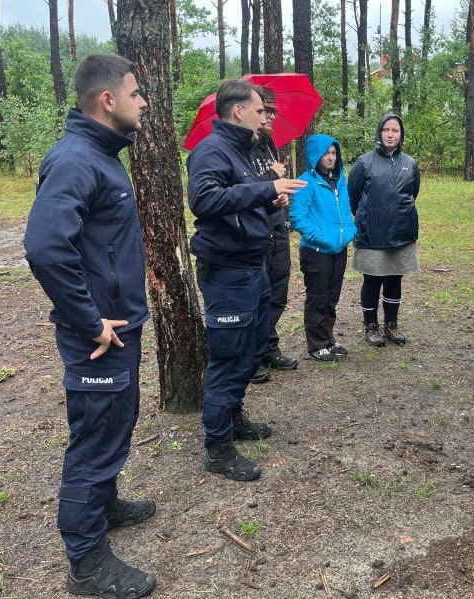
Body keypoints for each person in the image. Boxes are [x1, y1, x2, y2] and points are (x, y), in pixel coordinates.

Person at [23, 53, 156, 598]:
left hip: (118, 329)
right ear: (108, 101)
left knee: (112, 428)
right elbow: (45, 246)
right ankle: (86, 565)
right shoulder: (77, 159)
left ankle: (104, 506)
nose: (143, 101)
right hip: (99, 338)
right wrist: (89, 321)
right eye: (134, 92)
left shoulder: (101, 155)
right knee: (95, 443)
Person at [186, 80, 306, 482]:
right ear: (238, 111)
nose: (264, 117)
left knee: (249, 350)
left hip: (252, 266)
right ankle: (218, 449)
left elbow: (239, 196)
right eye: (259, 111)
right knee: (228, 356)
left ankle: (235, 418)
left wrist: (267, 196)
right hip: (227, 272)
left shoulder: (245, 151)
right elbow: (203, 200)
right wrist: (265, 187)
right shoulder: (211, 151)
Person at [348, 113, 421, 347]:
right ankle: (371, 325)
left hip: (402, 232)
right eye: (386, 130)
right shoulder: (365, 162)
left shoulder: (410, 163)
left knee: (394, 279)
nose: (390, 134)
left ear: (401, 135)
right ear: (379, 132)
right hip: (372, 234)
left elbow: (413, 192)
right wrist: (367, 217)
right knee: (372, 280)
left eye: (395, 130)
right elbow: (353, 196)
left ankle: (391, 324)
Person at [290, 134, 357, 361]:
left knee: (332, 297)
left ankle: (328, 338)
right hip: (316, 251)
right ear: (315, 156)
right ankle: (317, 345)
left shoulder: (339, 180)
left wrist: (350, 232)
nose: (330, 158)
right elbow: (298, 218)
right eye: (325, 153)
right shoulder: (306, 182)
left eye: (333, 153)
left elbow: (346, 210)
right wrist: (322, 238)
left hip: (339, 249)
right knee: (318, 298)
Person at [250, 86, 298, 380]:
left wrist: (283, 197)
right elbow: (246, 190)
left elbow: (272, 189)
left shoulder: (270, 144)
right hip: (256, 230)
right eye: (265, 110)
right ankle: (252, 355)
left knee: (278, 290)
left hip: (277, 223)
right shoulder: (243, 147)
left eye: (273, 112)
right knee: (257, 293)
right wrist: (272, 179)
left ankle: (268, 345)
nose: (269, 116)